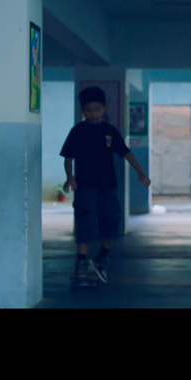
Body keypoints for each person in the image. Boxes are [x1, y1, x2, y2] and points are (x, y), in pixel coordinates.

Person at [60, 86, 151, 283]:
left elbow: (126, 153)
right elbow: (68, 157)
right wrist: (70, 177)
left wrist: (141, 173)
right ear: (83, 110)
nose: (93, 113)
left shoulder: (109, 131)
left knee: (111, 220)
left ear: (104, 108)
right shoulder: (77, 131)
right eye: (88, 110)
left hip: (107, 185)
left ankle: (101, 257)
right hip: (85, 186)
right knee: (85, 221)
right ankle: (81, 263)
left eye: (97, 109)